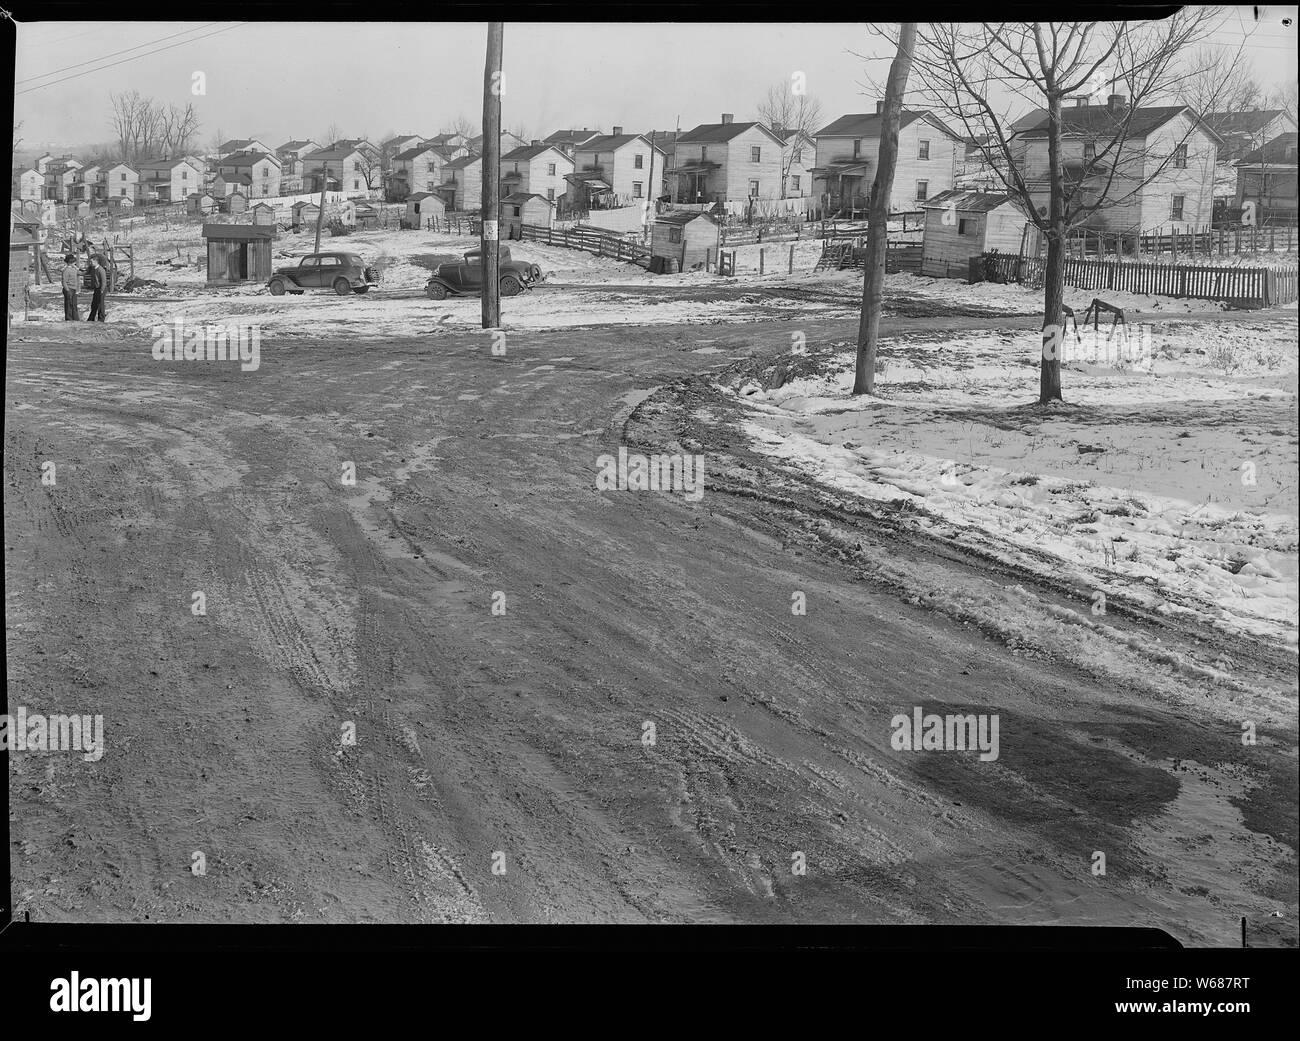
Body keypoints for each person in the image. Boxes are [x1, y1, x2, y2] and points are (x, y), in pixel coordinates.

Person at [87, 255, 107, 322]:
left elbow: (104, 281)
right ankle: (91, 318)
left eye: (92, 261)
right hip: (96, 288)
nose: (90, 263)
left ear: (96, 261)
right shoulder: (93, 268)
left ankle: (101, 319)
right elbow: (85, 272)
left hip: (101, 288)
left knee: (100, 304)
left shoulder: (101, 270)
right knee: (94, 303)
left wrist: (101, 290)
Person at [61, 254, 80, 321]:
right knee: (69, 305)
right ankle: (69, 318)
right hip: (69, 289)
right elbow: (64, 282)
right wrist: (67, 290)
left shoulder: (73, 269)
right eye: (74, 262)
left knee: (74, 304)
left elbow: (79, 273)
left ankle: (75, 318)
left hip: (73, 289)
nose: (75, 263)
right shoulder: (66, 270)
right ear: (70, 262)